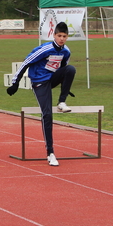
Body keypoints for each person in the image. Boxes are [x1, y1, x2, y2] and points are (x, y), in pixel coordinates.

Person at [7, 21, 76, 167]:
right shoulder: (44, 49)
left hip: (52, 79)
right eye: (59, 36)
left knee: (71, 69)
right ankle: (50, 153)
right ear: (54, 35)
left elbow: (64, 69)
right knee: (47, 115)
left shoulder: (66, 51)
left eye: (64, 36)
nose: (61, 39)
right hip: (40, 82)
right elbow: (25, 63)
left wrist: (65, 87)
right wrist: (15, 83)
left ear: (67, 37)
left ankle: (61, 102)